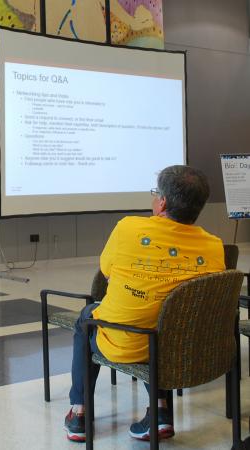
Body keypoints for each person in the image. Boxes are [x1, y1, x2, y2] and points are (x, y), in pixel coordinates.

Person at [64, 165, 225, 442]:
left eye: (155, 194)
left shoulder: (129, 228)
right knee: (163, 321)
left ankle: (78, 413)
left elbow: (106, 271)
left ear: (162, 202)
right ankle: (160, 412)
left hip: (131, 343)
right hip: (182, 346)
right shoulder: (213, 245)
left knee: (86, 318)